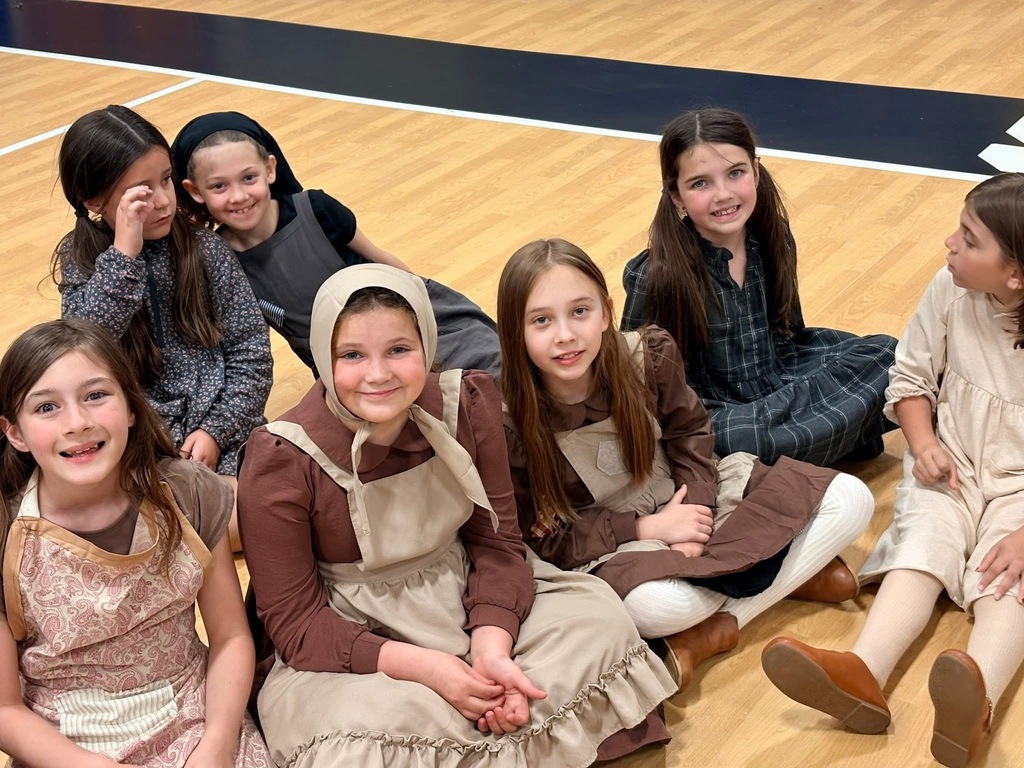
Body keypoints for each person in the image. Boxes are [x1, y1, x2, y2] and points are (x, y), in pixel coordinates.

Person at [236, 263, 678, 767]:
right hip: (357, 638)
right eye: (352, 355)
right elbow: (297, 622)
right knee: (354, 740)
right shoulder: (281, 458)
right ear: (322, 355)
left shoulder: (465, 402)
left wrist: (492, 646)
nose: (378, 375)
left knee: (600, 622)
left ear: (426, 343)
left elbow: (497, 543)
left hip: (465, 593)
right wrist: (430, 670)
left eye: (399, 350)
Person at [498, 238, 875, 686]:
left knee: (852, 499)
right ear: (515, 331)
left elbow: (691, 435)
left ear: (606, 312)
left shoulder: (648, 355)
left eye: (580, 311)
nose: (565, 335)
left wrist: (696, 513)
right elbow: (546, 537)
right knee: (655, 610)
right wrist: (648, 529)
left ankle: (713, 627)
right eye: (541, 320)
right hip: (618, 547)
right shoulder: (507, 421)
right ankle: (784, 575)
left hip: (693, 506)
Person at [761, 173, 1024, 768]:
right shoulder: (949, 286)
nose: (949, 243)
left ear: (1015, 274)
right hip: (953, 461)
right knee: (921, 543)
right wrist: (923, 441)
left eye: (969, 239)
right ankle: (863, 672)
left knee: (1009, 578)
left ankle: (976, 704)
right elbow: (910, 377)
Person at [0, 318, 272, 768]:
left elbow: (230, 637)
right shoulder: (6, 528)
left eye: (95, 395)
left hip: (194, 717)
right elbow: (6, 709)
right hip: (62, 744)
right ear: (15, 433)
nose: (77, 423)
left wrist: (219, 743)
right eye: (47, 407)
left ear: (131, 405)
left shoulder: (188, 492)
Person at [620, 107, 897, 466]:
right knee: (745, 442)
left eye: (735, 173)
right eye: (700, 183)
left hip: (781, 376)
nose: (723, 194)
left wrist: (804, 389)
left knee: (893, 355)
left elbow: (791, 332)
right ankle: (839, 436)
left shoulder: (774, 237)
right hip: (720, 412)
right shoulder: (656, 273)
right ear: (676, 195)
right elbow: (635, 383)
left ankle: (816, 444)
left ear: (756, 169)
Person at [52, 105, 273, 550]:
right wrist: (124, 256)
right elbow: (82, 353)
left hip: (226, 434)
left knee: (275, 501)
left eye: (167, 180)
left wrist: (215, 431)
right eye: (141, 193)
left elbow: (251, 354)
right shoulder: (82, 262)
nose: (164, 201)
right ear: (94, 202)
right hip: (138, 448)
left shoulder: (205, 250)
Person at [170, 111, 502, 378]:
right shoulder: (217, 259)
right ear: (195, 191)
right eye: (219, 186)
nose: (238, 196)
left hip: (407, 322)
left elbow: (382, 260)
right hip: (346, 365)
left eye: (248, 178)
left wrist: (425, 318)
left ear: (270, 170)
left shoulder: (316, 210)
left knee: (488, 375)